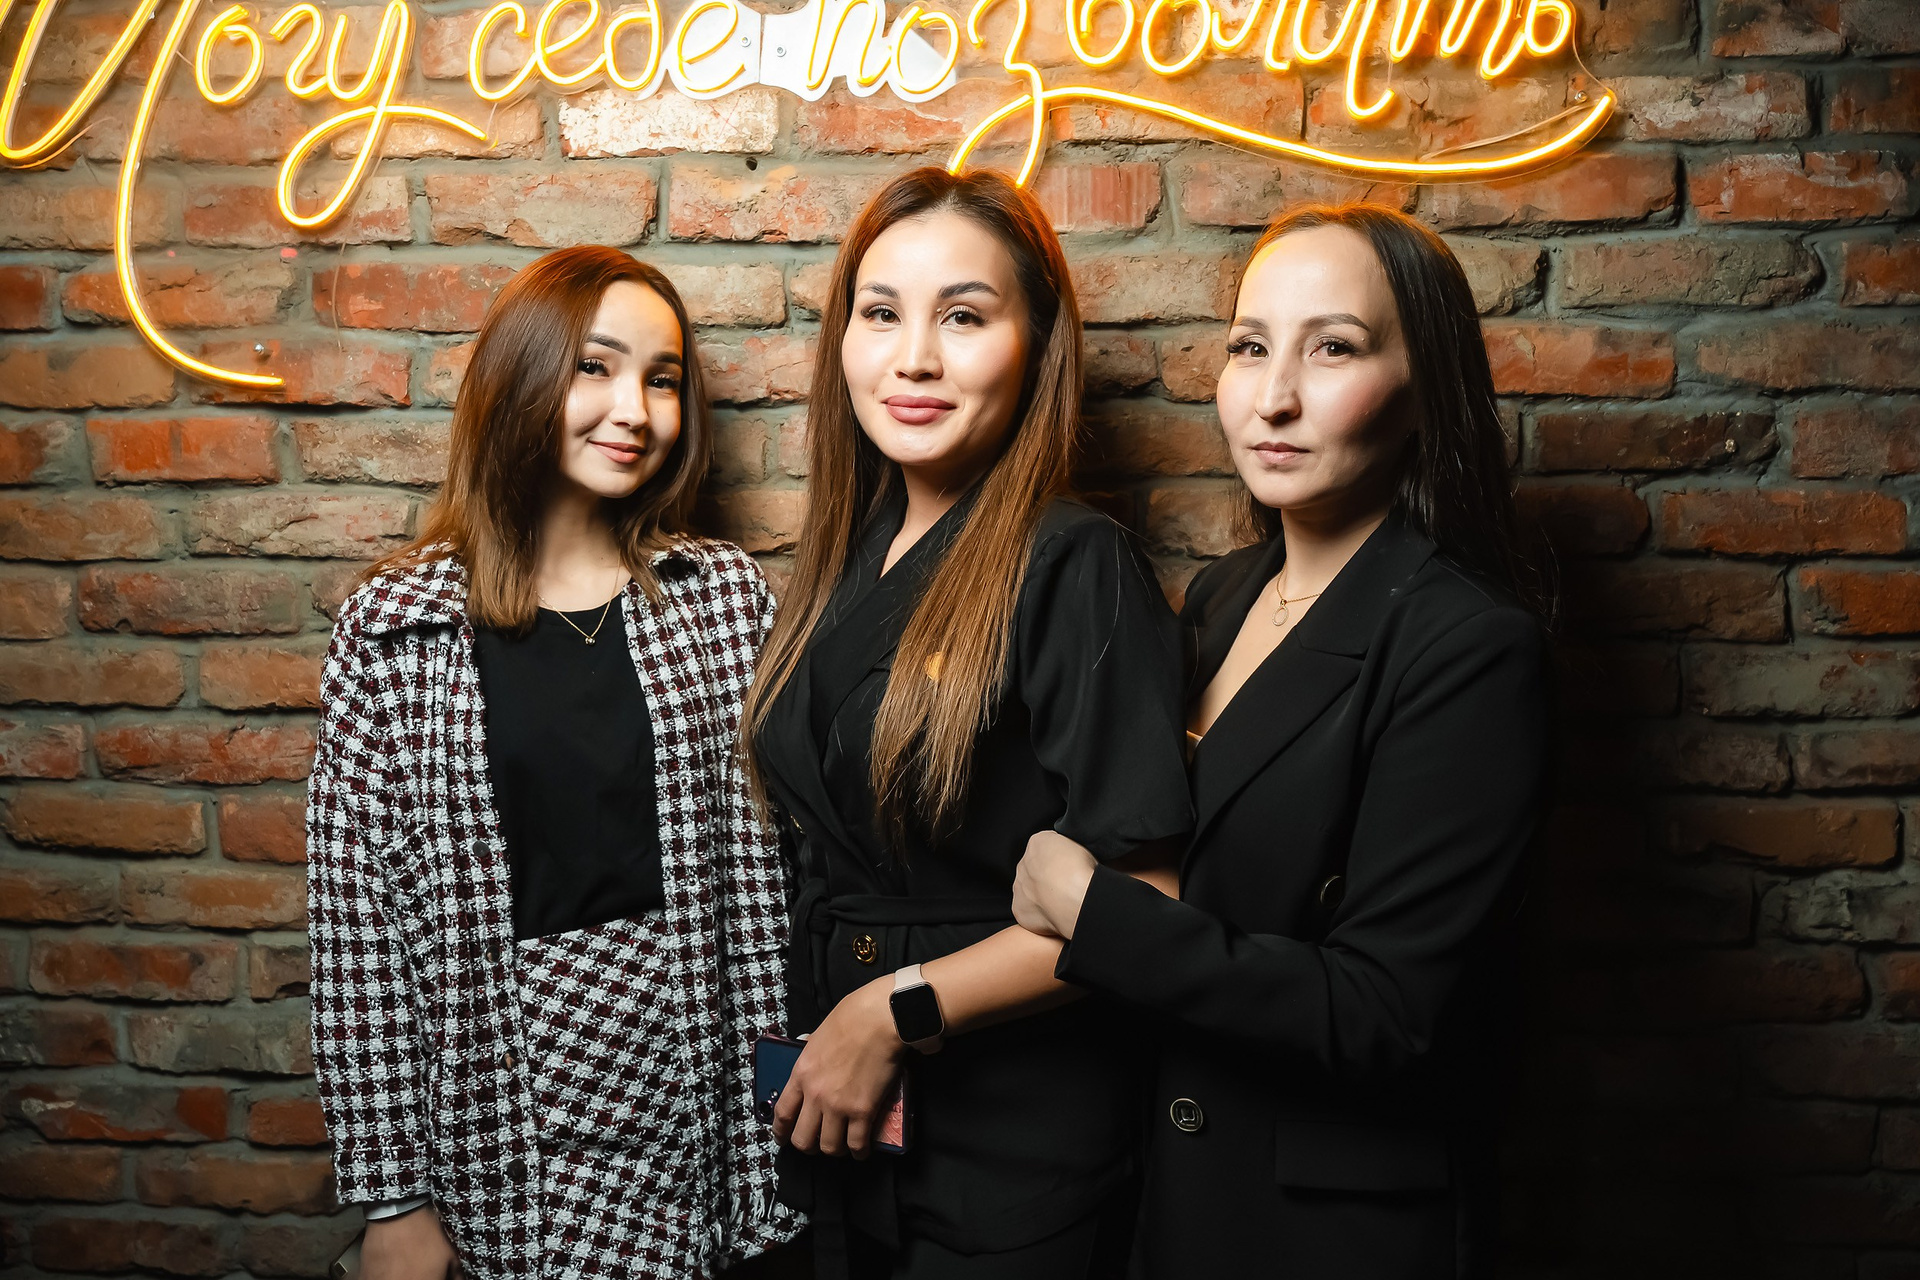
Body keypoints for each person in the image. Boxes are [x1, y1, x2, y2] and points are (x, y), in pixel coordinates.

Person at [1012, 203, 1551, 1279]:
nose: (1275, 396)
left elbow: (1383, 1010)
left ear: (1424, 389)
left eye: (1333, 348)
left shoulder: (1468, 644)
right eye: (1251, 347)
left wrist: (1095, 914)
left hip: (1325, 1226)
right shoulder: (1222, 595)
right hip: (1165, 1191)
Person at [308, 246, 801, 1280]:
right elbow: (360, 934)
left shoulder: (719, 597)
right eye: (595, 367)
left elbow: (783, 881)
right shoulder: (395, 629)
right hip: (499, 1119)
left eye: (663, 379)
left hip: (705, 1098)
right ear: (523, 376)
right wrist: (396, 1198)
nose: (635, 409)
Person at [743, 167, 1193, 1280]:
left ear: (1036, 346)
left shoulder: (1075, 561)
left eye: (963, 317)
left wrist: (889, 1014)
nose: (913, 359)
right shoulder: (846, 556)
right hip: (853, 1126)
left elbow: (1143, 901)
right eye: (881, 313)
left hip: (1015, 1140)